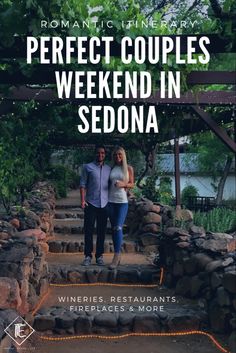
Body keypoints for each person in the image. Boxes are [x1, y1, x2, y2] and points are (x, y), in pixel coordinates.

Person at [80, 145, 111, 266]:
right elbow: (82, 184)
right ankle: (87, 256)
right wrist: (82, 201)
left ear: (105, 155)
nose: (100, 155)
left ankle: (99, 256)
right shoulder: (88, 167)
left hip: (104, 204)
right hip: (90, 203)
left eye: (102, 153)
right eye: (98, 153)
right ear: (95, 154)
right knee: (88, 230)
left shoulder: (109, 169)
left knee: (101, 231)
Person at [108, 146, 134, 269]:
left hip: (122, 202)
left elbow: (132, 184)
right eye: (115, 155)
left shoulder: (128, 168)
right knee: (114, 229)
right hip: (110, 201)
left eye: (119, 155)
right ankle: (117, 254)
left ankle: (116, 256)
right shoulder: (111, 168)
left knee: (118, 227)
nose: (117, 157)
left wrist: (123, 184)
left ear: (123, 155)